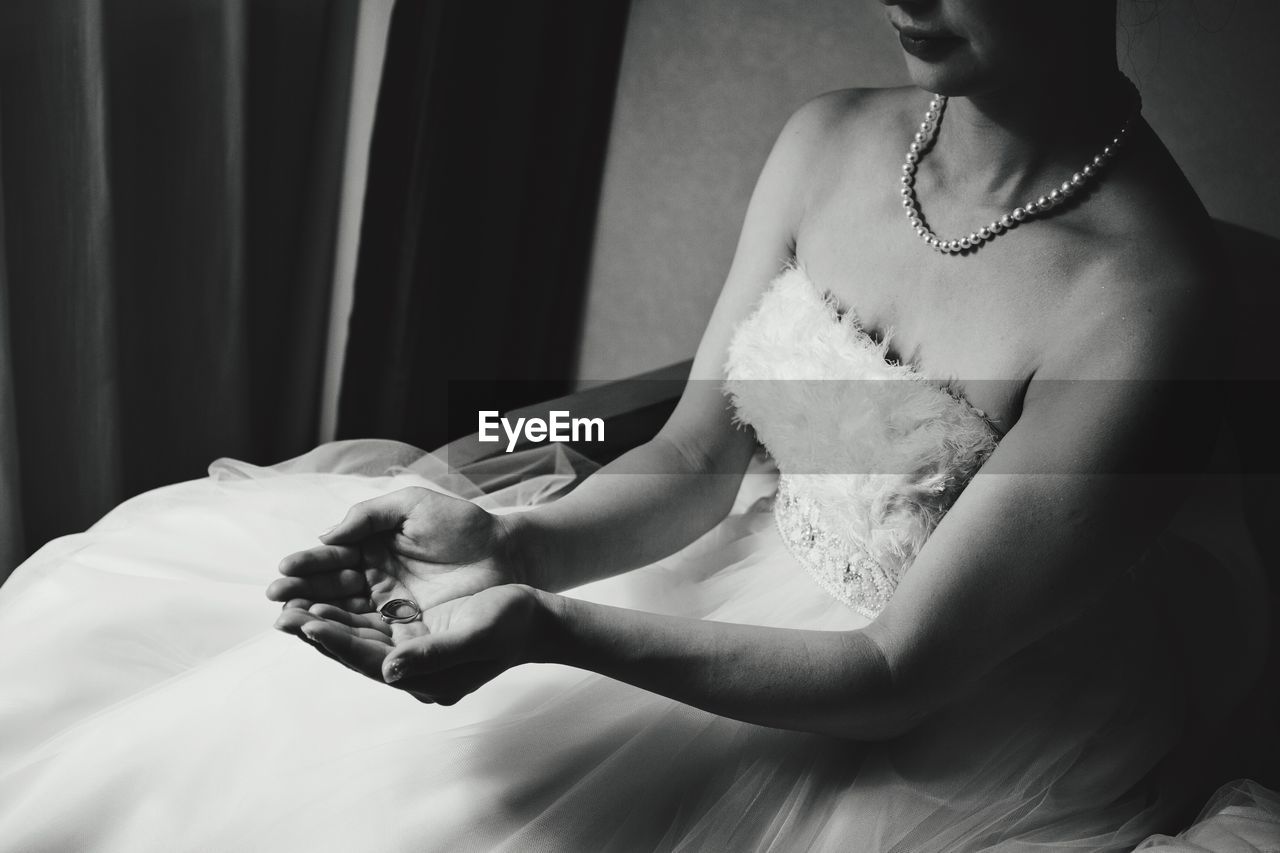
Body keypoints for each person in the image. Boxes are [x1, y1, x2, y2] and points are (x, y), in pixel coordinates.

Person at [0, 0, 1276, 850]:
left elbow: (902, 672)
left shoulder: (1146, 304)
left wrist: (553, 631)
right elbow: (691, 456)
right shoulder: (829, 139)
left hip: (912, 697)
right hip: (729, 579)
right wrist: (511, 545)